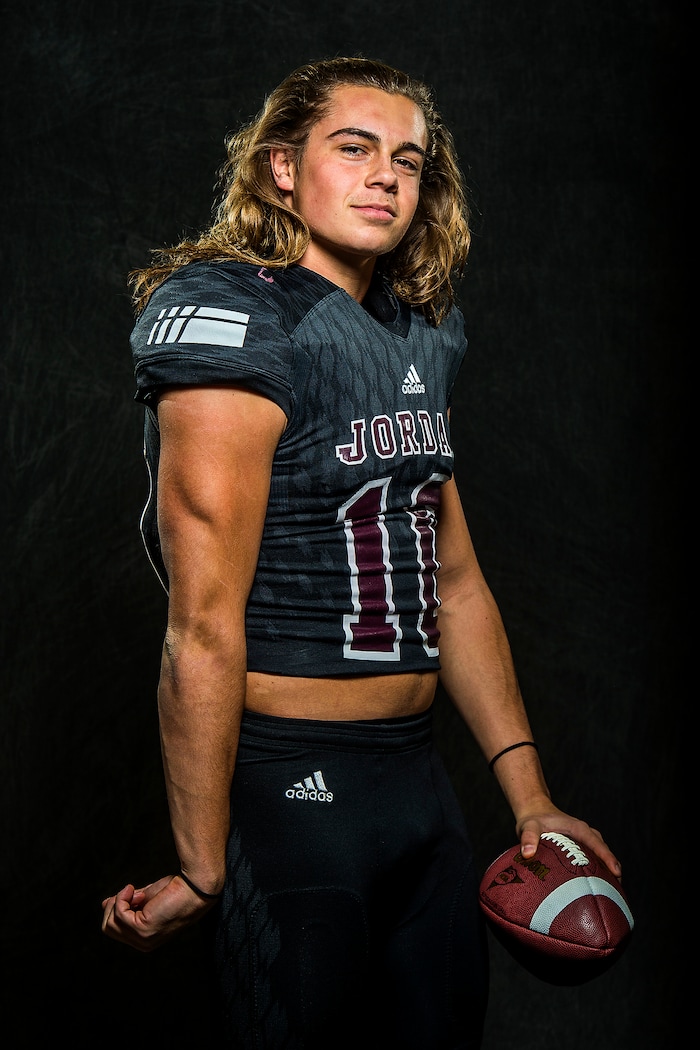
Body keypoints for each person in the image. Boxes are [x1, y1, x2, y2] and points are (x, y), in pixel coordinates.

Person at [101, 56, 622, 1049]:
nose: (387, 174)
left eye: (410, 160)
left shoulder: (415, 335)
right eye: (354, 147)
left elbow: (454, 582)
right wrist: (201, 864)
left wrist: (531, 797)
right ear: (283, 168)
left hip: (415, 783)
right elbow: (200, 624)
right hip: (292, 785)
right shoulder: (232, 319)